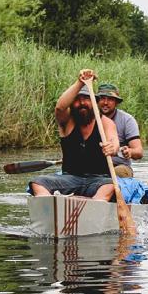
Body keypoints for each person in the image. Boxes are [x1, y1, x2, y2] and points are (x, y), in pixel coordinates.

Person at [29, 69, 120, 201]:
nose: (82, 103)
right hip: (70, 178)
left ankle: (94, 207)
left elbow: (114, 141)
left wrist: (112, 147)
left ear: (94, 103)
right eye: (77, 100)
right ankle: (50, 209)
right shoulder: (67, 121)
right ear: (72, 104)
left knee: (110, 186)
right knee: (37, 183)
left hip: (99, 179)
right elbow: (60, 107)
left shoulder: (105, 123)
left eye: (86, 99)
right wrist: (80, 82)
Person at [96, 83, 143, 177]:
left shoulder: (127, 120)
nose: (105, 102)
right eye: (102, 98)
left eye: (110, 99)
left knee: (118, 172)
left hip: (119, 166)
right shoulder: (88, 118)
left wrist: (129, 152)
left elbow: (139, 152)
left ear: (116, 102)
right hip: (95, 166)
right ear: (97, 101)